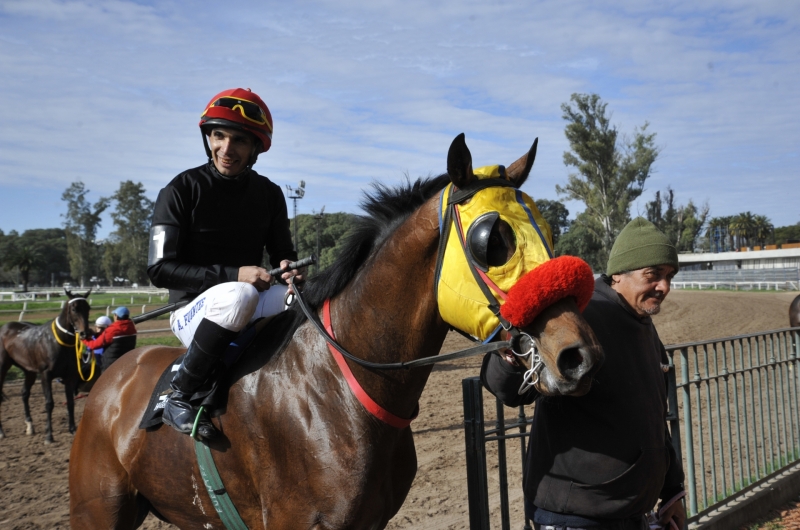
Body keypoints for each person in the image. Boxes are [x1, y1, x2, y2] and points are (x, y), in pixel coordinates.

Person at [481, 217, 686, 530]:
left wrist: (672, 491)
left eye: (669, 276)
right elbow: (510, 390)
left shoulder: (644, 325)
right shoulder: (580, 316)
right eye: (653, 275)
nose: (664, 286)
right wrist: (511, 352)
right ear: (619, 274)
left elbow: (655, 418)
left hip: (632, 514)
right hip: (577, 517)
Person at [147, 87, 304, 440]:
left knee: (306, 300)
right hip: (194, 310)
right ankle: (179, 394)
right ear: (208, 138)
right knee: (238, 295)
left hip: (247, 298)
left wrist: (290, 268)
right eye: (218, 136)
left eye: (239, 140)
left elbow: (283, 251)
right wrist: (235, 275)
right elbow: (158, 270)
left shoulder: (270, 194)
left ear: (254, 149)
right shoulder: (179, 190)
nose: (227, 149)